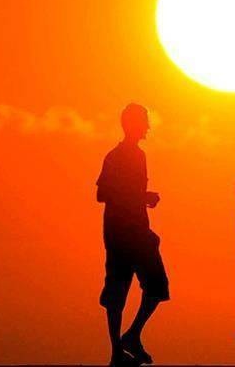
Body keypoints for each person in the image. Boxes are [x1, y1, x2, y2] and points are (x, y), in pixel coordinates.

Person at [96, 103, 169, 366]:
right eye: (143, 122)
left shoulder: (136, 155)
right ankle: (119, 349)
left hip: (133, 231)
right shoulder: (118, 156)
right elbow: (102, 194)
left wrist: (141, 198)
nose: (147, 127)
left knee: (154, 287)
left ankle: (129, 338)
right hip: (124, 234)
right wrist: (142, 197)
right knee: (121, 291)